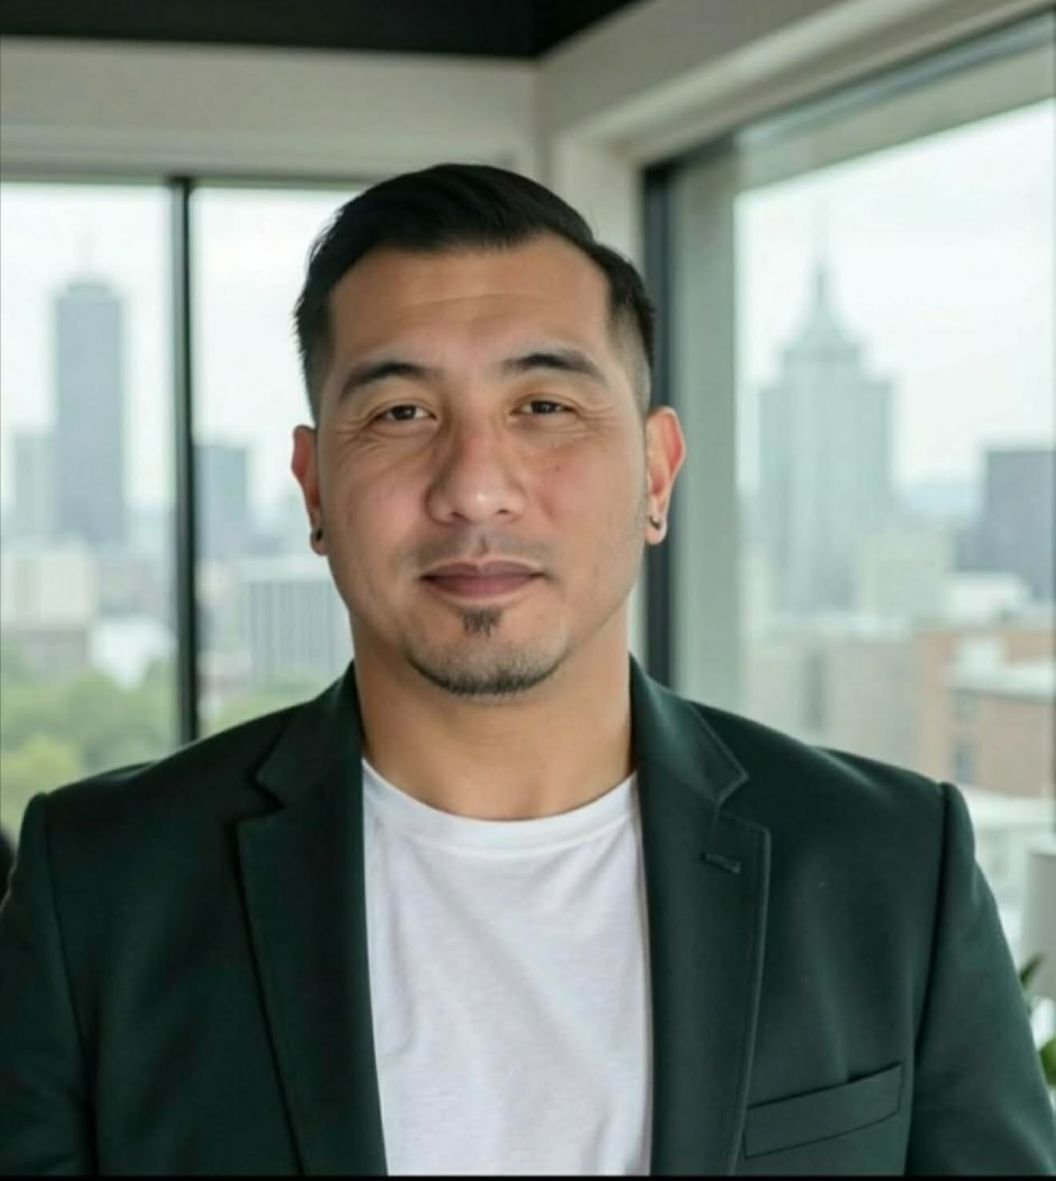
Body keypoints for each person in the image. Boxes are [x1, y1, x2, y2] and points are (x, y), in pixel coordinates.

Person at [1, 163, 1053, 1176]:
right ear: (314, 489)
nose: (475, 487)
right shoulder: (102, 887)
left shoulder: (892, 868)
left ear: (656, 473)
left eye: (544, 407)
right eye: (402, 413)